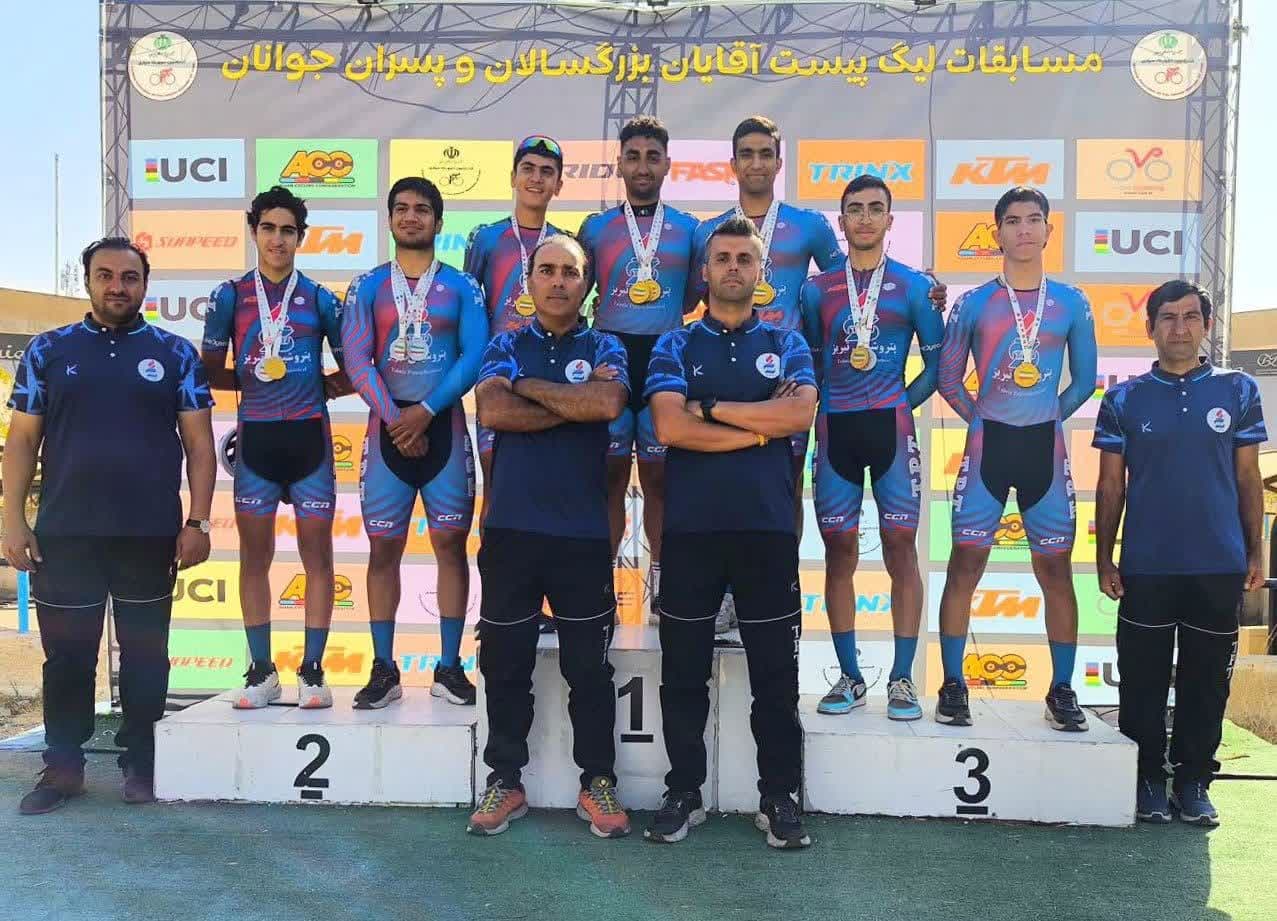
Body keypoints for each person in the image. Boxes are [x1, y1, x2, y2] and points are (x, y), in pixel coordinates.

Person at [3, 238, 215, 813]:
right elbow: (21, 442)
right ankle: (63, 767)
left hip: (149, 533)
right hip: (65, 532)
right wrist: (12, 521)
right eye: (105, 275)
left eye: (129, 276)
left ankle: (141, 762)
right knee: (68, 658)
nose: (117, 286)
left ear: (145, 284)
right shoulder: (48, 350)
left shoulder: (175, 353)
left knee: (146, 657)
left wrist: (197, 520)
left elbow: (200, 445)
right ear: (88, 281)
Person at [645, 218, 818, 849]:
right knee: (682, 673)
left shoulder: (787, 342)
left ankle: (779, 795)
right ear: (706, 271)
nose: (734, 267)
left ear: (760, 271)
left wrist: (713, 409)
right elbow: (670, 427)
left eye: (746, 258)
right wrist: (757, 430)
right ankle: (683, 792)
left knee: (775, 675)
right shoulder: (675, 344)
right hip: (691, 531)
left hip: (766, 531)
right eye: (723, 258)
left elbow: (799, 412)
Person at [466, 235, 631, 839]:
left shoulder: (606, 345)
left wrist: (528, 387)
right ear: (529, 281)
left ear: (587, 285)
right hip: (511, 530)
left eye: (570, 272)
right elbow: (493, 411)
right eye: (547, 270)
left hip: (582, 534)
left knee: (589, 670)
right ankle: (505, 780)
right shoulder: (505, 344)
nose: (558, 281)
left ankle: (598, 781)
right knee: (505, 663)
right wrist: (569, 405)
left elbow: (607, 403)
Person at [1093, 279, 1266, 826]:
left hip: (1218, 563)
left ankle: (1193, 781)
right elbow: (1110, 486)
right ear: (1150, 329)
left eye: (1191, 317)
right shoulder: (1123, 399)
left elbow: (1248, 478)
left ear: (1207, 326)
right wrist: (1104, 558)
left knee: (1206, 680)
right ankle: (1147, 778)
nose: (1180, 328)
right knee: (1141, 679)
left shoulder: (1239, 390)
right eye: (1167, 318)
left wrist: (1256, 550)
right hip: (1147, 564)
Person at [936, 186, 1097, 730]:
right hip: (988, 448)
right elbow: (948, 378)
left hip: (1043, 450)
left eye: (1033, 220)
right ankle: (953, 684)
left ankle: (1062, 688)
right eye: (1012, 221)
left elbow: (1086, 380)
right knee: (964, 565)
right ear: (997, 232)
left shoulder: (1072, 302)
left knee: (1055, 571)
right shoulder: (974, 302)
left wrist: (1048, 414)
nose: (1024, 229)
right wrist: (981, 419)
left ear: (1049, 230)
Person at [690, 116, 842, 635]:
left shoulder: (810, 225)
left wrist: (925, 286)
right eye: (746, 154)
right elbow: (689, 300)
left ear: (779, 162)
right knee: (720, 484)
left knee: (784, 488)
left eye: (765, 153)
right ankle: (725, 594)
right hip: (723, 374)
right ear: (732, 164)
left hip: (784, 381)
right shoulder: (707, 231)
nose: (756, 163)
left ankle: (779, 587)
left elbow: (844, 288)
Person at [201, 186, 352, 710]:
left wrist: (323, 386)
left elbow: (356, 365)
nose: (278, 239)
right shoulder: (230, 296)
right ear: (254, 232)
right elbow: (209, 370)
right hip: (258, 443)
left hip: (310, 441)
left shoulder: (320, 298)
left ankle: (312, 669)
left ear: (300, 237)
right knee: (254, 558)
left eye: (288, 230)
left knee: (318, 557)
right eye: (268, 228)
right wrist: (250, 380)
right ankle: (262, 670)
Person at [800, 175, 944, 720]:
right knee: (839, 552)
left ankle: (903, 679)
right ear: (841, 222)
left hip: (891, 430)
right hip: (835, 428)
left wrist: (900, 404)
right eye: (855, 209)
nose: (864, 218)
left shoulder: (914, 286)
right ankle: (850, 676)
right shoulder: (817, 289)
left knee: (900, 548)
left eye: (875, 209)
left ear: (890, 219)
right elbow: (811, 361)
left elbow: (937, 365)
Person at [342, 177, 488, 708]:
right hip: (387, 432)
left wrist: (424, 412)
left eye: (422, 209)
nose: (411, 217)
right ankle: (384, 667)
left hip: (443, 426)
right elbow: (356, 357)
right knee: (384, 549)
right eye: (401, 208)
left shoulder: (463, 287)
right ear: (389, 219)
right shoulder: (367, 286)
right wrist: (396, 418)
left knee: (451, 547)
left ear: (438, 221)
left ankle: (449, 667)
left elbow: (474, 355)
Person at [577, 116, 699, 623]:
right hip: (610, 359)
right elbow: (574, 292)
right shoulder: (595, 228)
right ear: (620, 165)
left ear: (668, 165)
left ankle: (664, 592)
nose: (643, 166)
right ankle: (597, 591)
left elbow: (693, 296)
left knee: (660, 483)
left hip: (664, 361)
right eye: (633, 157)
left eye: (652, 157)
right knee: (605, 481)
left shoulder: (691, 229)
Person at [465, 135, 566, 633]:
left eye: (547, 171)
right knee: (497, 493)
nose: (536, 178)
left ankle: (544, 603)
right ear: (513, 176)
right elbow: (470, 307)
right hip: (500, 382)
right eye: (529, 168)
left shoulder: (565, 241)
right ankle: (496, 608)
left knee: (548, 489)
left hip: (549, 380)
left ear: (559, 184)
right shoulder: (486, 239)